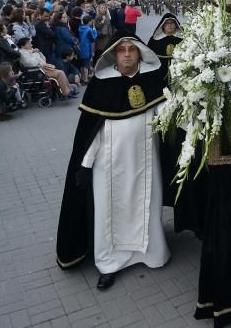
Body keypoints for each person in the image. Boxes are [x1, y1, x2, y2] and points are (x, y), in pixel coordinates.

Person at [55, 32, 170, 289]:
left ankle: (151, 255)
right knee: (111, 214)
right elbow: (91, 131)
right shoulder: (101, 84)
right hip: (109, 166)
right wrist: (85, 164)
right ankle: (109, 263)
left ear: (140, 52)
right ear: (113, 54)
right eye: (122, 50)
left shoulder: (153, 78)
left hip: (146, 161)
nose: (127, 53)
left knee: (147, 206)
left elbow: (167, 111)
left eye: (132, 49)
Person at [78, 19, 98, 83]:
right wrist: (94, 30)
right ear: (89, 22)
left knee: (81, 65)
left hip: (80, 48)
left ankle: (82, 78)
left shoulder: (80, 28)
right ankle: (86, 80)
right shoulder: (89, 29)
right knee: (86, 65)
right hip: (87, 48)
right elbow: (93, 38)